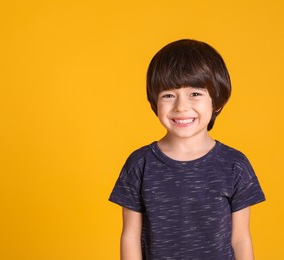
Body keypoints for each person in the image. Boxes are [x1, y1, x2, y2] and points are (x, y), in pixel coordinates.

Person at [109, 39, 265, 260]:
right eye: (168, 95)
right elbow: (130, 236)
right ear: (154, 102)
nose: (181, 106)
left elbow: (240, 238)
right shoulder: (140, 164)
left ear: (217, 101)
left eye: (195, 94)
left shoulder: (235, 165)